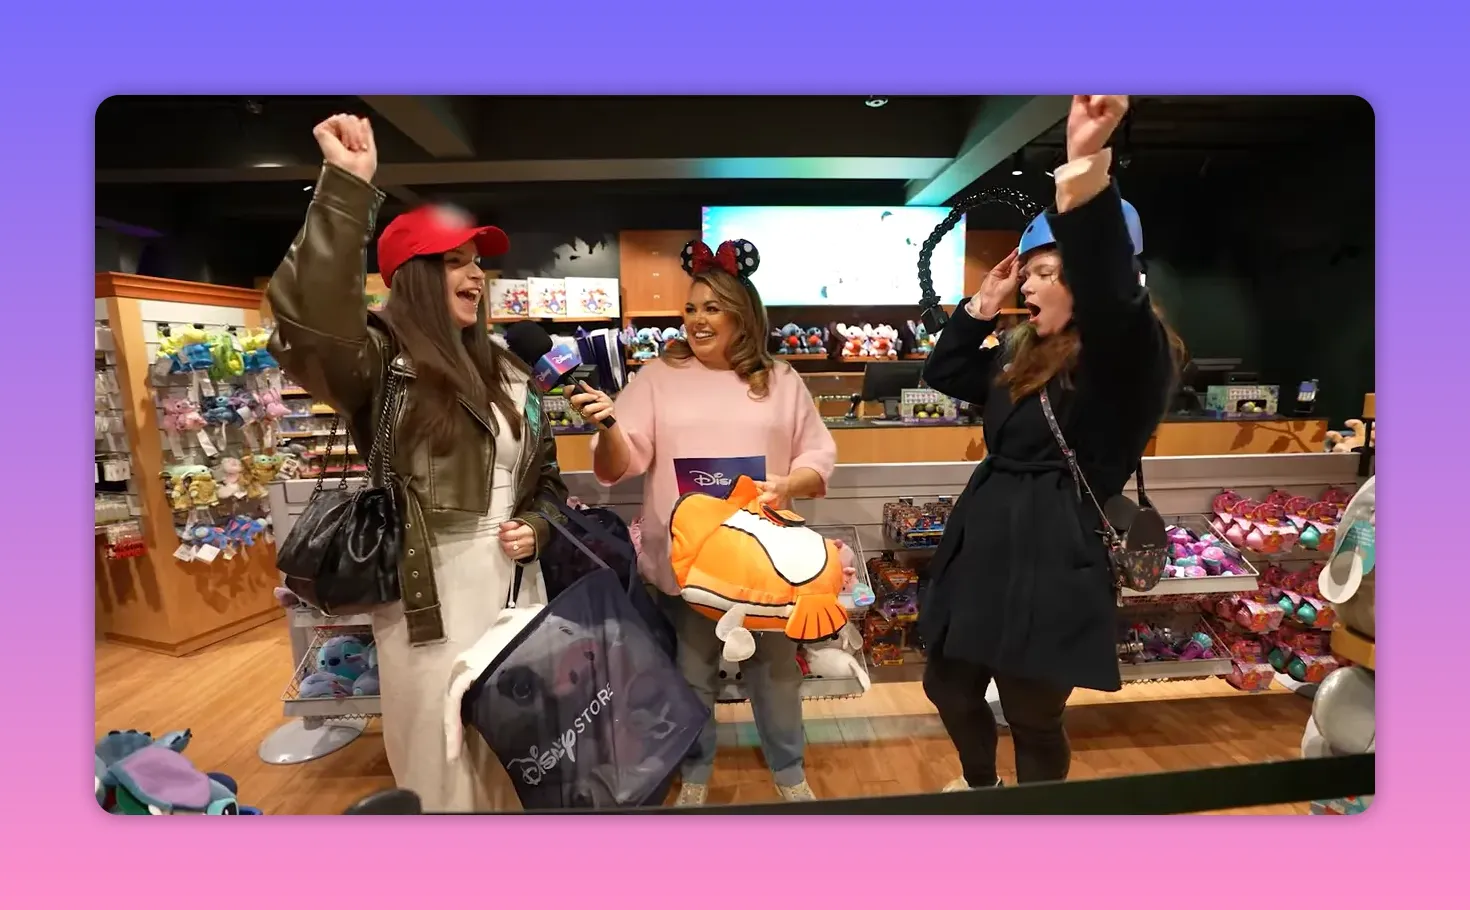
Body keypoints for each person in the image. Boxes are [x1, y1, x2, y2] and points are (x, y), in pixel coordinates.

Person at [267, 114, 568, 812]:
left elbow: (546, 480)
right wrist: (346, 188)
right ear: (415, 276)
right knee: (442, 763)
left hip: (519, 588)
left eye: (478, 261)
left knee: (518, 752)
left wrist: (538, 526)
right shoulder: (380, 365)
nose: (477, 274)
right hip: (428, 598)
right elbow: (310, 325)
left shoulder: (508, 372)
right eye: (457, 260)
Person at [918, 96, 1185, 790]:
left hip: (1053, 560)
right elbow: (944, 372)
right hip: (983, 552)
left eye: (1044, 270)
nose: (1028, 284)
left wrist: (1084, 170)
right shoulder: (1020, 354)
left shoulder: (1129, 360)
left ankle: (1038, 830)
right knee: (947, 686)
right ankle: (982, 790)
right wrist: (981, 304)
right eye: (1028, 269)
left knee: (1034, 716)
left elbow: (1114, 299)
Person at [570, 240, 837, 805]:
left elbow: (817, 458)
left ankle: (789, 771)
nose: (696, 320)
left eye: (712, 307)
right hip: (686, 567)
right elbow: (621, 463)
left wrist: (788, 484)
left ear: (743, 314)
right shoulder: (657, 377)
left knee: (777, 678)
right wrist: (610, 427)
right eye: (691, 309)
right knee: (691, 678)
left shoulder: (782, 380)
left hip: (766, 570)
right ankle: (695, 772)